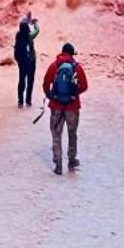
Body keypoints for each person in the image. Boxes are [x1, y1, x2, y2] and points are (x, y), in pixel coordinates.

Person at [42, 40, 88, 175]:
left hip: (56, 107)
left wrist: (52, 97)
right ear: (72, 54)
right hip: (72, 107)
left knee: (56, 134)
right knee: (72, 134)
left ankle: (58, 164)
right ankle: (72, 160)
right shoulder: (77, 67)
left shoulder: (54, 66)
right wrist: (73, 95)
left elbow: (45, 85)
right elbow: (84, 86)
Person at [13, 9, 40, 108]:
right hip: (31, 62)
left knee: (21, 80)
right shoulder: (29, 36)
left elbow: (23, 23)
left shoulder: (18, 36)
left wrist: (28, 20)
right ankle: (28, 101)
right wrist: (35, 23)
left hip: (22, 62)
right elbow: (37, 30)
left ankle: (20, 101)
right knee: (30, 80)